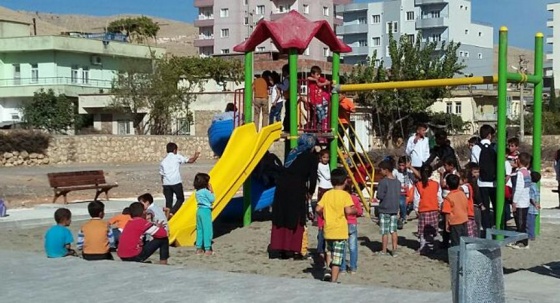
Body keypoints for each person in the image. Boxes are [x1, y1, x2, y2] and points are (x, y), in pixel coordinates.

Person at [269, 134, 318, 260]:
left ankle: (281, 248)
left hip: (282, 187)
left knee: (282, 215)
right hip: (296, 188)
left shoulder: (293, 152)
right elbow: (312, 177)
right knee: (295, 217)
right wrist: (310, 192)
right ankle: (294, 249)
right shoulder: (311, 157)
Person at [316, 168, 357, 283]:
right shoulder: (345, 195)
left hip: (328, 229)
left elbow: (318, 208)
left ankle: (328, 270)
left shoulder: (327, 194)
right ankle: (333, 280)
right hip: (340, 231)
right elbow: (348, 211)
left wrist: (324, 215)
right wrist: (355, 210)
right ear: (345, 181)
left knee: (329, 252)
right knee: (337, 258)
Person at [160, 142, 200, 217]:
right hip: (176, 182)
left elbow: (162, 175)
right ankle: (172, 212)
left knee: (168, 202)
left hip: (166, 184)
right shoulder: (176, 157)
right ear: (175, 150)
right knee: (180, 198)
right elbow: (190, 161)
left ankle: (167, 218)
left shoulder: (163, 161)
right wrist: (196, 156)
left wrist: (163, 186)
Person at [470, 124, 497, 234]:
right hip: (495, 182)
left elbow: (474, 164)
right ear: (490, 135)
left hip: (481, 182)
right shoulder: (495, 147)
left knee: (484, 208)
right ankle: (497, 227)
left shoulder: (476, 147)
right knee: (496, 206)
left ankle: (486, 229)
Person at [374, 160, 401, 256]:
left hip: (384, 209)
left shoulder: (383, 182)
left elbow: (380, 196)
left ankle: (384, 250)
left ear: (386, 170)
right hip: (394, 209)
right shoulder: (398, 182)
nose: (380, 172)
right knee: (393, 230)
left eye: (381, 170)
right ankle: (394, 250)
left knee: (384, 231)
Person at [413, 165, 442, 254]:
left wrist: (416, 209)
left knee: (422, 231)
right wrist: (440, 207)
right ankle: (433, 246)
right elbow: (439, 197)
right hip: (434, 209)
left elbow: (416, 198)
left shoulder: (418, 185)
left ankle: (423, 247)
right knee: (433, 229)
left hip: (423, 210)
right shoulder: (436, 184)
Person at [509, 152, 532, 249]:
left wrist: (514, 202)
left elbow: (518, 188)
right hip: (525, 201)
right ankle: (524, 241)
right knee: (522, 223)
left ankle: (521, 242)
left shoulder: (520, 174)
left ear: (519, 160)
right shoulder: (528, 172)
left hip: (520, 202)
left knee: (520, 224)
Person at [340, 182, 363, 274]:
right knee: (353, 247)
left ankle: (342, 268)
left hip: (342, 223)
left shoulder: (341, 198)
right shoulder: (354, 198)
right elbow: (360, 212)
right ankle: (353, 267)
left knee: (343, 247)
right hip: (352, 223)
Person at [441, 174, 469, 247]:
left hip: (455, 222)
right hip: (464, 219)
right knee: (464, 240)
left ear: (447, 185)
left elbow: (447, 213)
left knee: (455, 241)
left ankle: (456, 257)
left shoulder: (448, 198)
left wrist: (447, 224)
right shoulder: (462, 194)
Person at [316, 149, 332, 266]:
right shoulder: (320, 166)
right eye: (324, 157)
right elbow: (327, 176)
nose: (326, 159)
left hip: (329, 186)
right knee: (322, 206)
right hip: (323, 187)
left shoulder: (327, 165)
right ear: (321, 158)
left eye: (327, 157)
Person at [194, 173, 215, 256]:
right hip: (206, 210)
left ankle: (199, 248)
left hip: (199, 210)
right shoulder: (206, 191)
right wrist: (212, 191)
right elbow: (212, 199)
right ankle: (207, 248)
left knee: (199, 229)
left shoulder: (197, 192)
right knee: (207, 230)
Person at [307, 66, 331, 131]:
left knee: (320, 113)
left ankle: (320, 124)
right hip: (313, 100)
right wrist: (315, 80)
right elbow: (308, 78)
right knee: (320, 112)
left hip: (319, 100)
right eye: (317, 74)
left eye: (319, 74)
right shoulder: (311, 80)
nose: (319, 76)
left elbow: (328, 82)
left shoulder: (320, 79)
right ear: (312, 74)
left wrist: (322, 84)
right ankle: (320, 124)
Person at [394, 156, 414, 225]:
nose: (402, 167)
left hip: (408, 191)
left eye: (403, 165)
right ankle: (403, 217)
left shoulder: (408, 172)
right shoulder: (395, 172)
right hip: (399, 191)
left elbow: (414, 179)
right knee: (402, 202)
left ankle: (404, 215)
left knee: (404, 202)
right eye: (400, 165)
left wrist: (409, 167)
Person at [459, 170, 479, 238]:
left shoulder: (465, 186)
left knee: (468, 232)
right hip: (469, 212)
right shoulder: (470, 185)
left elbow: (458, 190)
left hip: (467, 212)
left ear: (464, 179)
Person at [527, 171, 541, 242]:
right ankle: (531, 235)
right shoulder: (536, 186)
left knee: (530, 224)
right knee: (532, 224)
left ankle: (531, 236)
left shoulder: (531, 186)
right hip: (535, 210)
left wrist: (535, 204)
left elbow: (531, 197)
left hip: (531, 209)